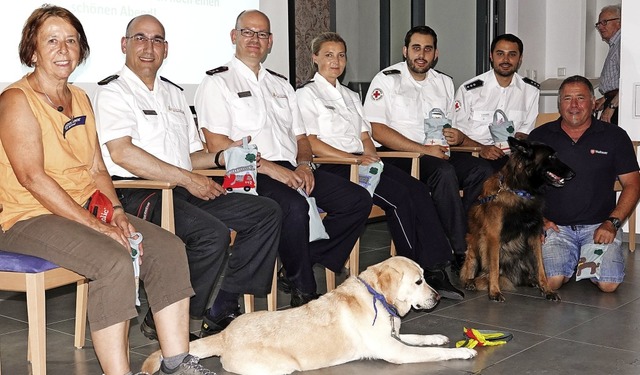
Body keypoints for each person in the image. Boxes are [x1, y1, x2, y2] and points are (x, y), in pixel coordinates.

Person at [0, 5, 213, 375]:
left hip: (83, 208)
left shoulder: (80, 98)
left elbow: (98, 168)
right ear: (32, 50)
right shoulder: (16, 100)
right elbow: (33, 178)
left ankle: (178, 364)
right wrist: (98, 227)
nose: (63, 49)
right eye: (52, 40)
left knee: (168, 249)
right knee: (113, 260)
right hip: (28, 217)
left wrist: (115, 213)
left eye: (71, 41)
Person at [93, 15, 281, 340]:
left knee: (265, 212)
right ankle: (170, 318)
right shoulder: (113, 93)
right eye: (140, 38)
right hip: (136, 193)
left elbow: (192, 158)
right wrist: (187, 178)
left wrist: (223, 156)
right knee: (212, 235)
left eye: (157, 40)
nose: (149, 47)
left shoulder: (174, 93)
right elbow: (123, 153)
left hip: (181, 188)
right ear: (125, 45)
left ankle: (223, 303)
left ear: (166, 49)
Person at [194, 10, 372, 307]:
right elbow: (217, 145)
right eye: (248, 32)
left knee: (357, 200)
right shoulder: (217, 82)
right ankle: (305, 290)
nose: (255, 39)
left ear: (271, 41)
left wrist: (304, 164)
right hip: (246, 172)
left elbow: (301, 139)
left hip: (291, 167)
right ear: (234, 36)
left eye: (262, 34)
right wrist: (273, 170)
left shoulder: (281, 84)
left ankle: (300, 260)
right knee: (293, 204)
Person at [296, 32, 463, 299]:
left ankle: (436, 267)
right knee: (398, 199)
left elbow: (365, 136)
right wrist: (354, 159)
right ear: (315, 58)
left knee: (417, 190)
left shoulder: (350, 95)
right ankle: (409, 272)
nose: (336, 61)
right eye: (328, 55)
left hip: (360, 161)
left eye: (341, 55)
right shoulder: (306, 95)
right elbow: (311, 143)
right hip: (333, 165)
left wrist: (372, 159)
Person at [363, 25, 492, 269]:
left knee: (481, 170)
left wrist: (456, 136)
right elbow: (376, 130)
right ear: (405, 51)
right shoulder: (387, 79)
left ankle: (466, 233)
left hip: (437, 152)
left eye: (427, 49)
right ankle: (460, 250)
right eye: (416, 48)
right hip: (398, 155)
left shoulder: (444, 82)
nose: (421, 54)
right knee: (443, 173)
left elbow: (448, 124)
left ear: (436, 54)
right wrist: (423, 151)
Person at [528, 75, 640, 293]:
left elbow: (633, 184)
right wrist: (538, 220)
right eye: (567, 99)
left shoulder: (614, 136)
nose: (574, 105)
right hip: (556, 228)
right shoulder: (539, 137)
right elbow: (523, 187)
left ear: (593, 102)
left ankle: (584, 258)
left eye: (580, 98)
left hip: (599, 228)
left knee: (608, 285)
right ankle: (571, 260)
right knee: (551, 283)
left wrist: (612, 224)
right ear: (559, 104)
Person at [451, 33, 540, 171]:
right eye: (500, 54)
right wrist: (482, 149)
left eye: (512, 54)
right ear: (491, 56)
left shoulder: (530, 91)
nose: (506, 59)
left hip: (509, 155)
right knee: (486, 171)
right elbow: (458, 135)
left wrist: (517, 144)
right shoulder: (470, 90)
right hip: (473, 154)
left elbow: (525, 131)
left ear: (520, 59)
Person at [594, 4, 621, 125]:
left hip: (618, 106)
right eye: (599, 23)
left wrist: (611, 107)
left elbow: (627, 83)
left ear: (619, 22)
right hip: (613, 101)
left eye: (604, 22)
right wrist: (605, 99)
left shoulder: (622, 45)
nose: (600, 26)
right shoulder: (614, 46)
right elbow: (616, 83)